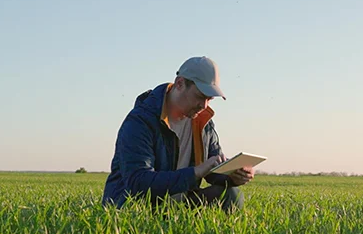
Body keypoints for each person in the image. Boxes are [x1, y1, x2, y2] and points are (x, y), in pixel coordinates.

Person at [102, 56, 254, 212]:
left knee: (232, 195)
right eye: (200, 96)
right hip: (135, 205)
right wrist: (195, 172)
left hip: (180, 201)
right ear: (180, 83)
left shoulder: (203, 121)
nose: (204, 105)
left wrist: (233, 176)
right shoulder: (140, 121)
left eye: (209, 99)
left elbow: (213, 170)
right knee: (137, 209)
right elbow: (138, 182)